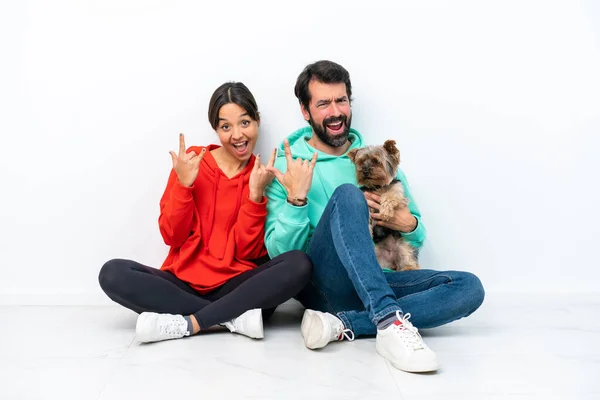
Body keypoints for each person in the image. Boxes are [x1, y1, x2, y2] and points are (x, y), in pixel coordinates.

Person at [264, 60, 485, 373]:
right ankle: (388, 320)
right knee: (348, 194)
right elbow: (280, 256)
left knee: (469, 287)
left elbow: (415, 236)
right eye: (323, 103)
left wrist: (406, 223)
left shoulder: (384, 165)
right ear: (305, 110)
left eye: (341, 100)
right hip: (326, 285)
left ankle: (344, 324)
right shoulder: (289, 165)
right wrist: (296, 200)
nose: (335, 112)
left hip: (379, 279)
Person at [99, 82, 312, 343]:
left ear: (258, 121)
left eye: (245, 123)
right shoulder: (192, 162)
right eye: (226, 126)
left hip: (238, 286)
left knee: (299, 264)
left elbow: (248, 253)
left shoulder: (263, 175)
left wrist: (255, 196)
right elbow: (172, 236)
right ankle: (229, 318)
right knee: (112, 273)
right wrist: (184, 185)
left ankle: (190, 321)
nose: (237, 135)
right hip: (182, 282)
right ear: (216, 129)